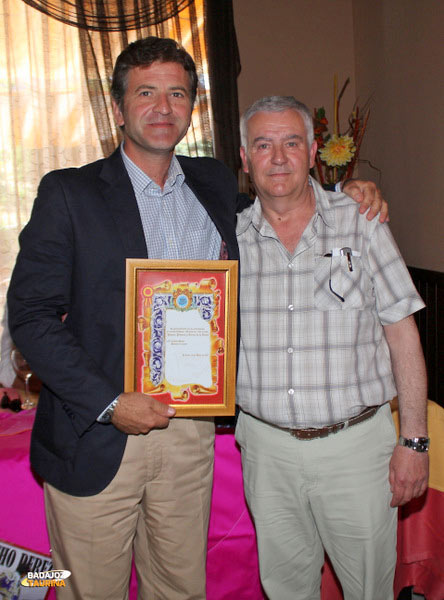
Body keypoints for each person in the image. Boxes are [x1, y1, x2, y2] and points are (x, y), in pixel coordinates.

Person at [8, 36, 385, 599]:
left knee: (182, 589)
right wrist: (113, 404)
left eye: (177, 94)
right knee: (88, 590)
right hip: (97, 433)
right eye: (146, 93)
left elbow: (281, 198)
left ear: (192, 107)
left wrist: (344, 191)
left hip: (189, 432)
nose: (163, 108)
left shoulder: (211, 183)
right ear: (118, 108)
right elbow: (31, 316)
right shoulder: (68, 192)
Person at [235, 96, 429, 600]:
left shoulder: (361, 219)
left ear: (314, 151)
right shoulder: (228, 237)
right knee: (285, 589)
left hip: (356, 449)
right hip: (266, 449)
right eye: (263, 144)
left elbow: (401, 331)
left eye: (291, 142)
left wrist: (414, 441)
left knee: (369, 588)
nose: (278, 157)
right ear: (244, 157)